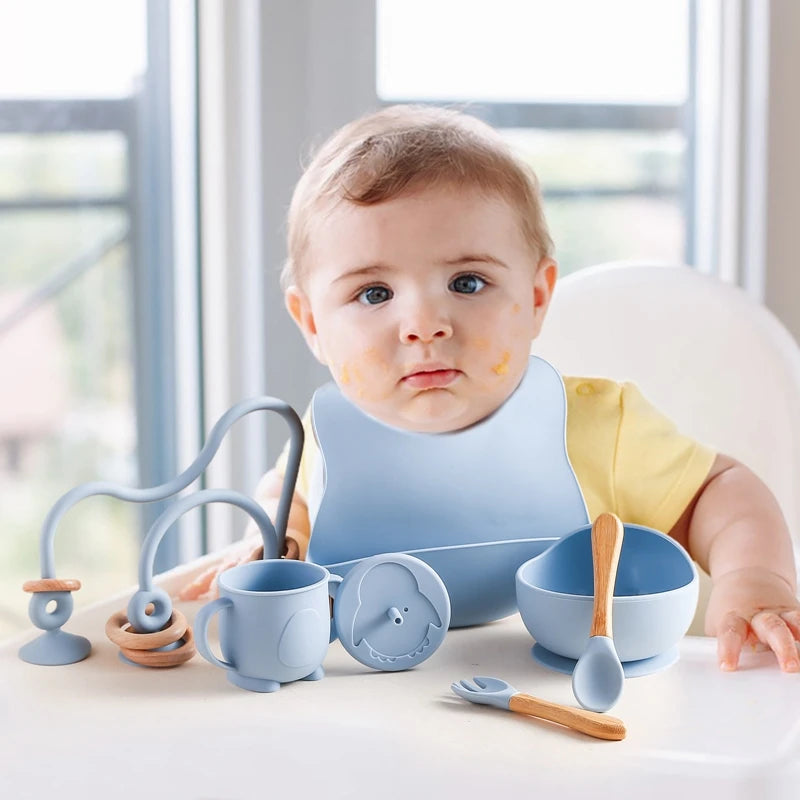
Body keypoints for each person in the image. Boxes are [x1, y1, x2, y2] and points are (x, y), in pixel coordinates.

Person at [179, 104, 800, 673]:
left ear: (535, 297)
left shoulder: (600, 428)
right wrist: (269, 541)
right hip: (381, 717)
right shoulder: (326, 435)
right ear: (313, 323)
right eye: (374, 294)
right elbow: (292, 503)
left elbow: (722, 490)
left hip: (566, 698)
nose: (424, 324)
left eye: (467, 283)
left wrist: (757, 579)